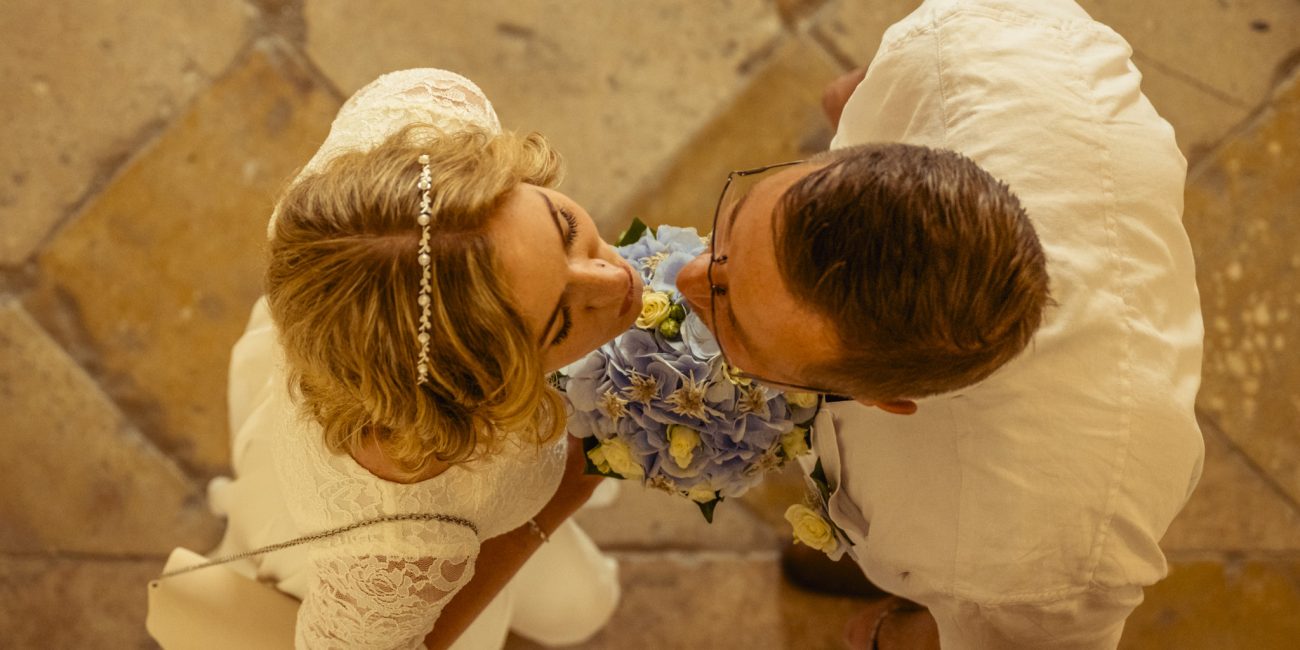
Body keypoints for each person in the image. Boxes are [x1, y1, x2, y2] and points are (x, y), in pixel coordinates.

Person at [676, 0, 1204, 647]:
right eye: (737, 223)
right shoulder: (968, 39)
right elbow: (851, 94)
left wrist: (897, 629)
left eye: (739, 329)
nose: (685, 278)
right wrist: (872, 99)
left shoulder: (1035, 565)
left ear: (882, 401)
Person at [206, 69, 640, 649]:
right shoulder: (398, 535)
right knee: (579, 609)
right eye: (561, 321)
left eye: (563, 227)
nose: (617, 278)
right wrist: (554, 504)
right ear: (474, 393)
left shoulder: (411, 142)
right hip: (386, 541)